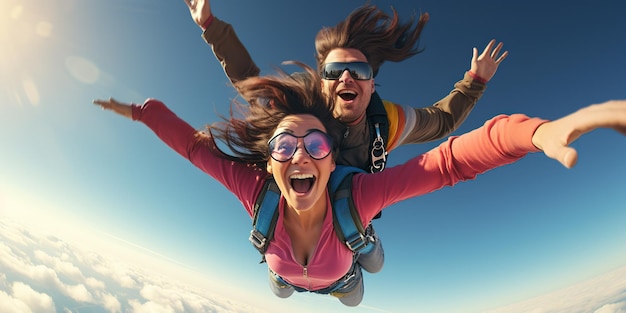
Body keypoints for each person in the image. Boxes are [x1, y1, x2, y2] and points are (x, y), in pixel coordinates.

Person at [93, 66, 626, 306]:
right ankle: (296, 283)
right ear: (269, 162)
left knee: (362, 283)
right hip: (290, 275)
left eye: (317, 146)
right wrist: (142, 112)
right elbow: (193, 146)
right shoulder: (257, 192)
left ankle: (360, 258)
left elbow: (450, 161)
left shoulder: (358, 195)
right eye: (283, 146)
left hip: (342, 276)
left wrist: (534, 133)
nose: (300, 153)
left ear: (331, 161)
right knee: (282, 288)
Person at [184, 1, 508, 171]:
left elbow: (441, 120)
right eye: (335, 70)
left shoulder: (387, 121)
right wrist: (212, 27)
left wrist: (475, 82)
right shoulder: (298, 105)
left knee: (368, 261)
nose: (346, 78)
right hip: (298, 202)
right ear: (322, 81)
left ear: (372, 83)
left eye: (358, 70)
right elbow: (250, 82)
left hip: (347, 209)